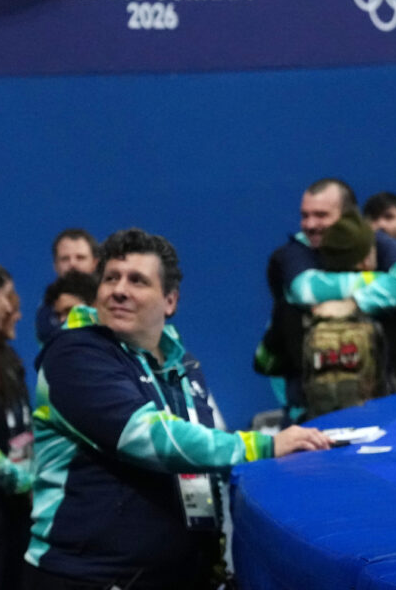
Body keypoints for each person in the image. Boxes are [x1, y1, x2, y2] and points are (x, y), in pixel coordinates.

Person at [25, 229, 333, 589]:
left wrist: (209, 555)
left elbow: (196, 468)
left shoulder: (182, 366)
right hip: (86, 578)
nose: (119, 290)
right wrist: (262, 446)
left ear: (170, 300)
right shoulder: (75, 354)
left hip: (171, 576)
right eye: (111, 278)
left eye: (137, 280)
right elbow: (151, 438)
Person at [259, 179, 396, 417]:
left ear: (349, 216)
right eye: (305, 215)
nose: (310, 224)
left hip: (389, 409)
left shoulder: (376, 242)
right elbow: (305, 290)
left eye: (321, 215)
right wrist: (381, 279)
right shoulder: (291, 255)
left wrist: (354, 303)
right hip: (310, 416)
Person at [0, 261, 32, 590]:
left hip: (15, 517)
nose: (13, 308)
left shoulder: (10, 360)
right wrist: (15, 478)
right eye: (7, 297)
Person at [34, 229, 100, 345]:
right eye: (65, 259)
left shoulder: (111, 299)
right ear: (55, 265)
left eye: (80, 258)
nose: (72, 264)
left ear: (95, 263)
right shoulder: (47, 306)